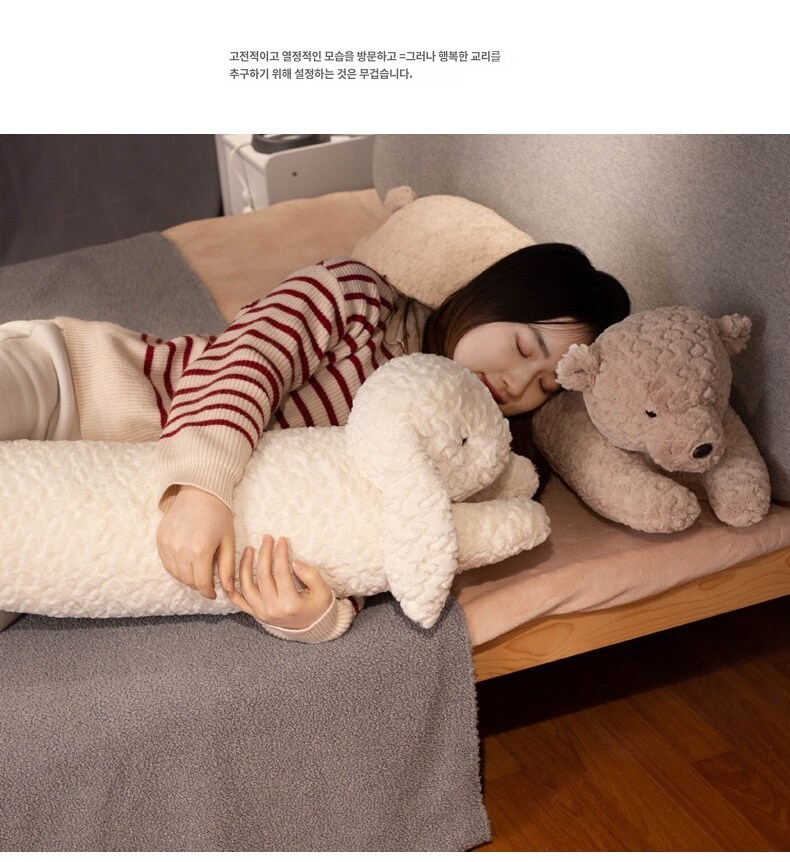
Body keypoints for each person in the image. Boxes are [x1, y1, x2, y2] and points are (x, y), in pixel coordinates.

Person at [0, 243, 630, 642]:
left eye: (545, 385)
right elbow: (247, 358)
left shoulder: (459, 457)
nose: (517, 382)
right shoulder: (356, 298)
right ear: (490, 299)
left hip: (97, 501)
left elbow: (361, 540)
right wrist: (202, 487)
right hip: (76, 385)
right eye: (523, 346)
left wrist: (313, 618)